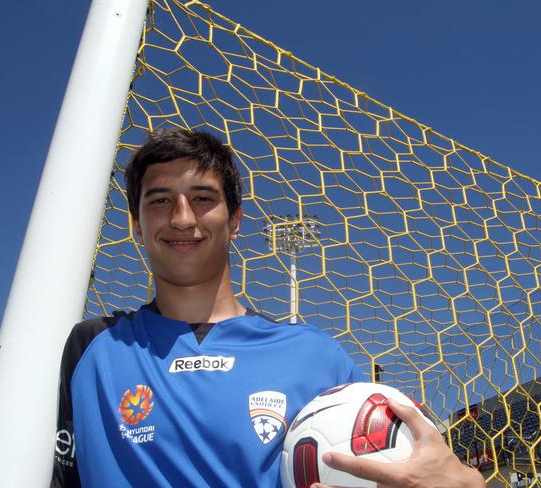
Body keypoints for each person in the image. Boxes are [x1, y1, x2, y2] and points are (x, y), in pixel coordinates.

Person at [52, 127, 484, 488]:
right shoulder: (92, 348)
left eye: (203, 198)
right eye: (160, 200)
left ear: (235, 221)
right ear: (136, 226)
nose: (183, 218)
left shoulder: (315, 356)